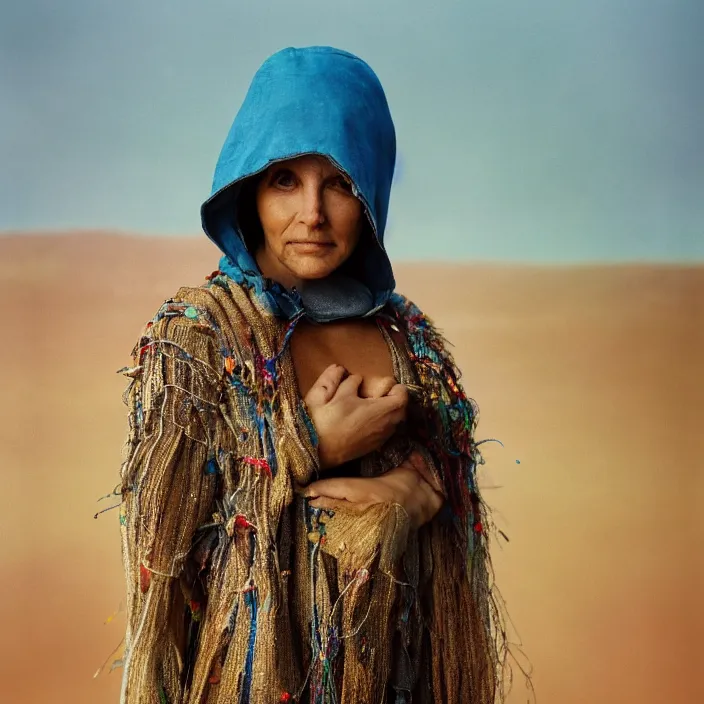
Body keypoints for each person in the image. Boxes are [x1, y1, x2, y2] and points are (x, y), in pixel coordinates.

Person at [118, 46, 507, 703]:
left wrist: (414, 499)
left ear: (372, 190)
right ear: (248, 187)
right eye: (284, 181)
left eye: (341, 183)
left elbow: (454, 535)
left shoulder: (410, 341)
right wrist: (308, 445)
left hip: (396, 683)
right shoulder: (197, 335)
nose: (313, 214)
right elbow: (159, 547)